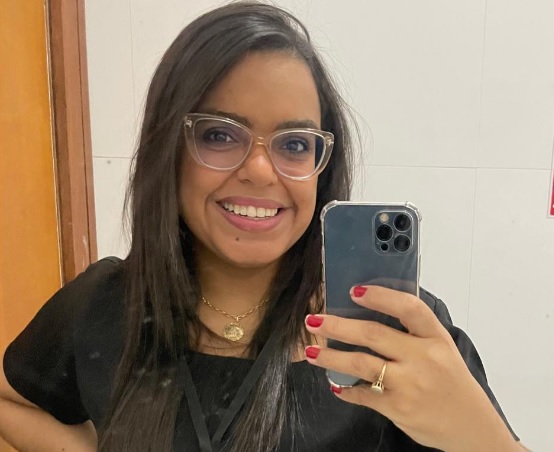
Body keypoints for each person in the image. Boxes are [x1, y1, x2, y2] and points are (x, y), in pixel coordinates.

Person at [0, 2, 526, 451]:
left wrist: (482, 436)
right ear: (169, 148)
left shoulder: (397, 331)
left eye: (294, 144)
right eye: (219, 135)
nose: (258, 170)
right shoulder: (106, 303)